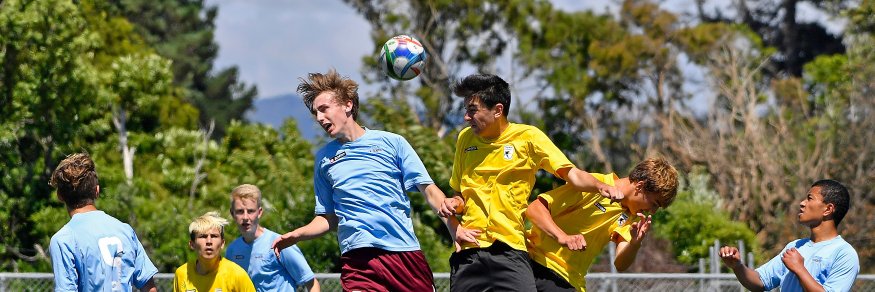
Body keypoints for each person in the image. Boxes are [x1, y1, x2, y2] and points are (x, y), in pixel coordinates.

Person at [271, 69, 472, 292]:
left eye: (324, 109)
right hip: (358, 262)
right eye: (315, 113)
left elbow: (429, 191)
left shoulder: (392, 143)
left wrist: (455, 228)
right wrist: (298, 234)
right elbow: (328, 218)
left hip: (403, 255)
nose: (319, 118)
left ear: (347, 105)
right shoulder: (324, 159)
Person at [443, 73, 624, 291]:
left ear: (498, 110)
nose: (466, 117)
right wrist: (454, 206)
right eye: (466, 110)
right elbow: (460, 196)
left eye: (472, 110)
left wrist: (600, 186)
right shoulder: (465, 139)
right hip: (469, 251)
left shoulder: (529, 138)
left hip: (510, 250)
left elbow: (573, 175)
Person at [526, 157, 679, 291]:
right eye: (654, 203)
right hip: (535, 263)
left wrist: (634, 244)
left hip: (569, 280)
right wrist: (562, 237)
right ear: (640, 186)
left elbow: (621, 265)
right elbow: (535, 209)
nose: (652, 211)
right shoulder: (594, 185)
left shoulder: (634, 218)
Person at [719, 179, 860, 292]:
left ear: (828, 209)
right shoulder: (795, 246)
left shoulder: (844, 254)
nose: (802, 203)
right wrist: (737, 266)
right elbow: (760, 282)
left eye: (810, 198)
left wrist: (799, 268)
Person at [48, 153, 158, 291]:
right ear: (97, 191)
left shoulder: (63, 240)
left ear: (60, 196)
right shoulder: (124, 230)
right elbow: (149, 288)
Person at [225, 184, 320, 291]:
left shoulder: (281, 243)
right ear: (232, 214)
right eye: (240, 211)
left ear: (259, 212)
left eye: (250, 211)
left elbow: (312, 284)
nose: (245, 217)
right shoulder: (232, 250)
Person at [173, 211, 256, 292]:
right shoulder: (182, 274)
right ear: (192, 244)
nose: (209, 241)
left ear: (222, 243)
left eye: (214, 236)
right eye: (203, 236)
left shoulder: (237, 275)